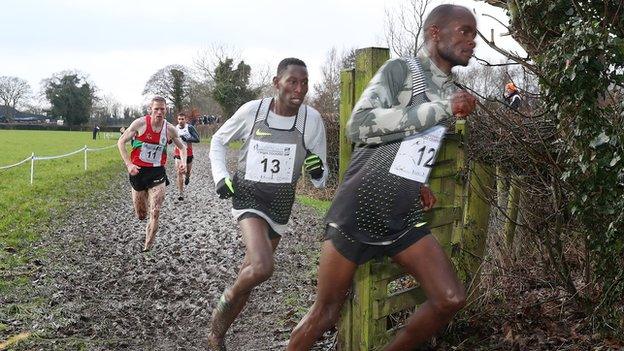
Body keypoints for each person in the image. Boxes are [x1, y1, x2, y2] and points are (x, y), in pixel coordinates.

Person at [287, 5, 477, 350]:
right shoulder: (402, 70)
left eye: (474, 34)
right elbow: (359, 126)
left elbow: (414, 141)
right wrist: (442, 109)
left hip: (401, 213)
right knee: (325, 313)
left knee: (449, 298)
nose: (472, 41)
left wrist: (414, 180)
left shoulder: (451, 88)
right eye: (464, 31)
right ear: (435, 32)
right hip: (360, 206)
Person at [208, 57, 328, 349]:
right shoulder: (254, 111)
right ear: (277, 83)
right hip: (248, 195)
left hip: (281, 203)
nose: (299, 89)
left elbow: (321, 179)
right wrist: (221, 176)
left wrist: (316, 170)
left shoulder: (311, 120)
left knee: (250, 274)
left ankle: (216, 334)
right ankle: (223, 307)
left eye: (304, 83)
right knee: (262, 267)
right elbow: (218, 141)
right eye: (292, 82)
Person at [117, 96, 187, 252]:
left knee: (155, 211)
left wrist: (183, 162)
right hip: (138, 171)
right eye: (156, 109)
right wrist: (129, 164)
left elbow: (182, 148)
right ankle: (143, 213)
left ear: (166, 110)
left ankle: (147, 247)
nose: (159, 112)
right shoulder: (139, 124)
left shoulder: (170, 129)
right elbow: (121, 142)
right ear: (151, 109)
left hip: (157, 172)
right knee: (141, 214)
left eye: (163, 109)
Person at [173, 112, 200, 201]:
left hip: (188, 153)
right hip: (178, 153)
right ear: (177, 120)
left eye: (182, 119)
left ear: (186, 119)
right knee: (179, 172)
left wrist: (187, 138)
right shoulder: (174, 128)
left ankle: (188, 177)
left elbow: (197, 139)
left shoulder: (190, 128)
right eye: (179, 119)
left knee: (187, 172)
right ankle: (181, 193)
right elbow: (170, 139)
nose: (181, 121)